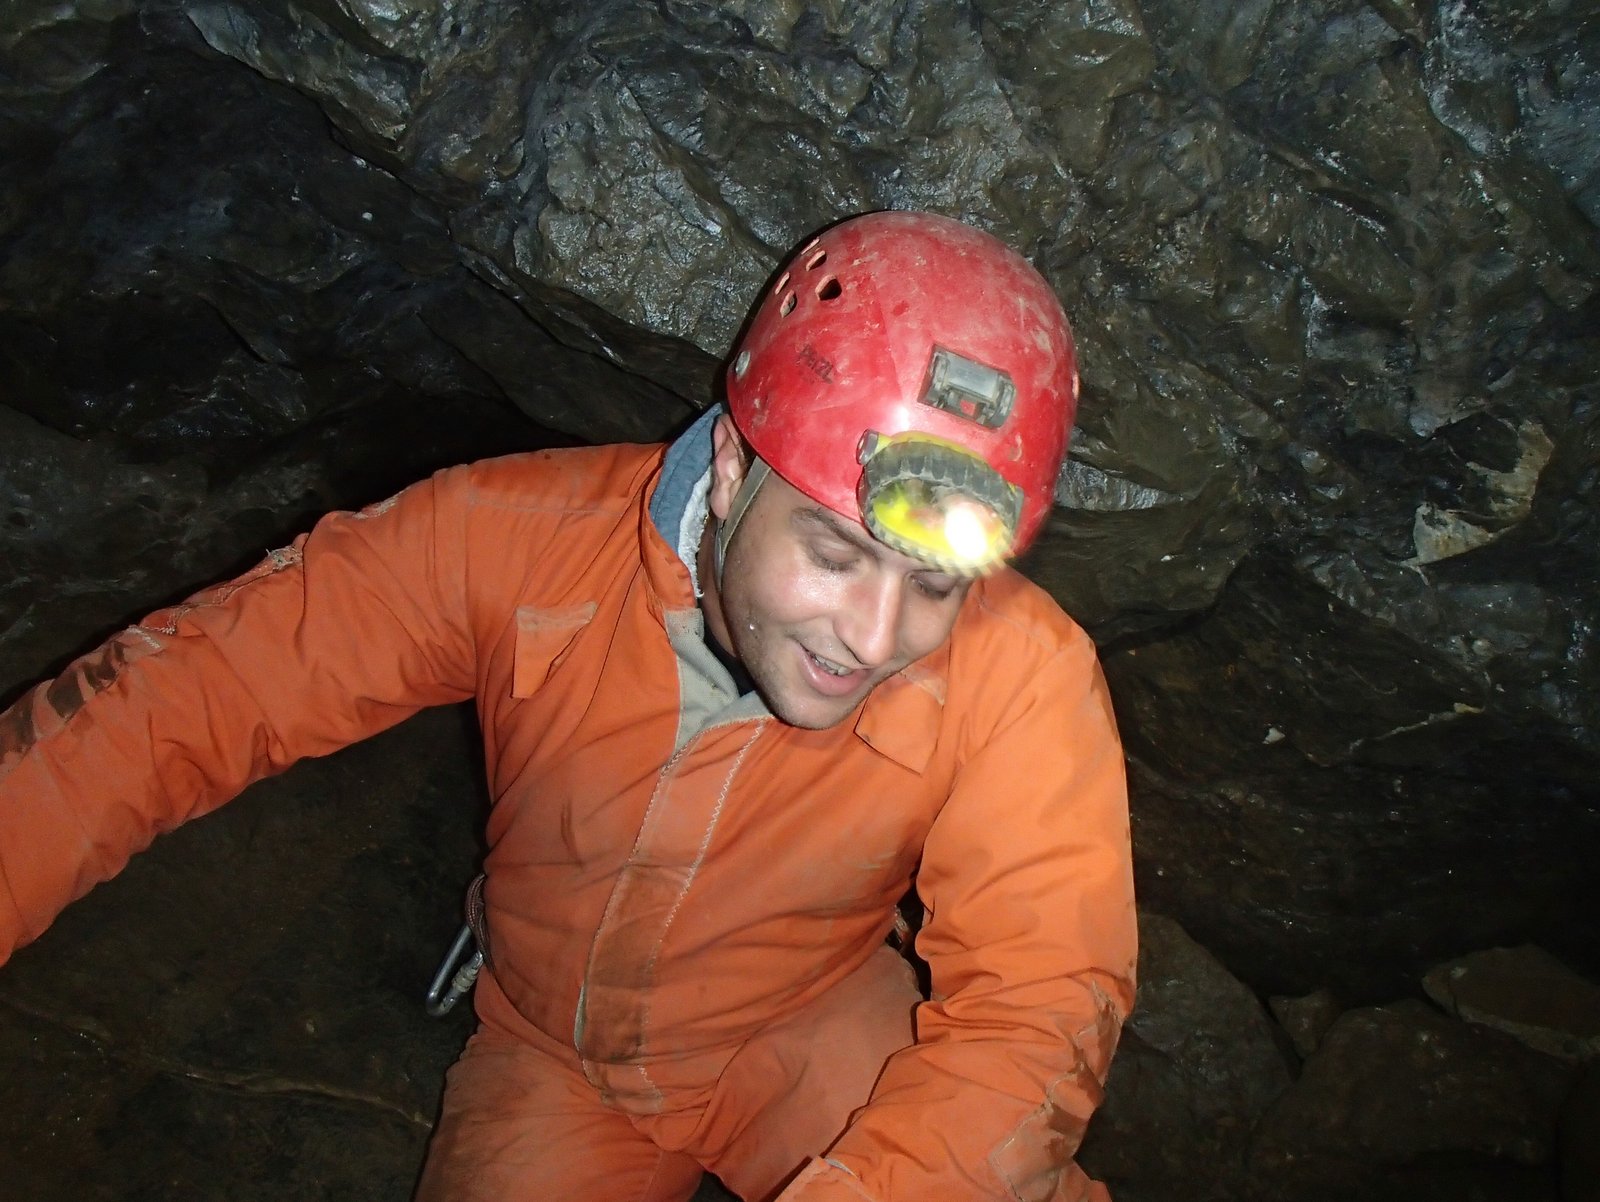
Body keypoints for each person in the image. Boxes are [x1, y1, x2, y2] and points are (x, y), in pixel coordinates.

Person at [0, 211, 1136, 1201]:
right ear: (732, 471)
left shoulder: (1020, 672)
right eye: (834, 554)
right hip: (557, 1053)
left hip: (815, 1027)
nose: (873, 636)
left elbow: (1038, 1009)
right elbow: (187, 696)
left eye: (933, 585)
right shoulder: (514, 542)